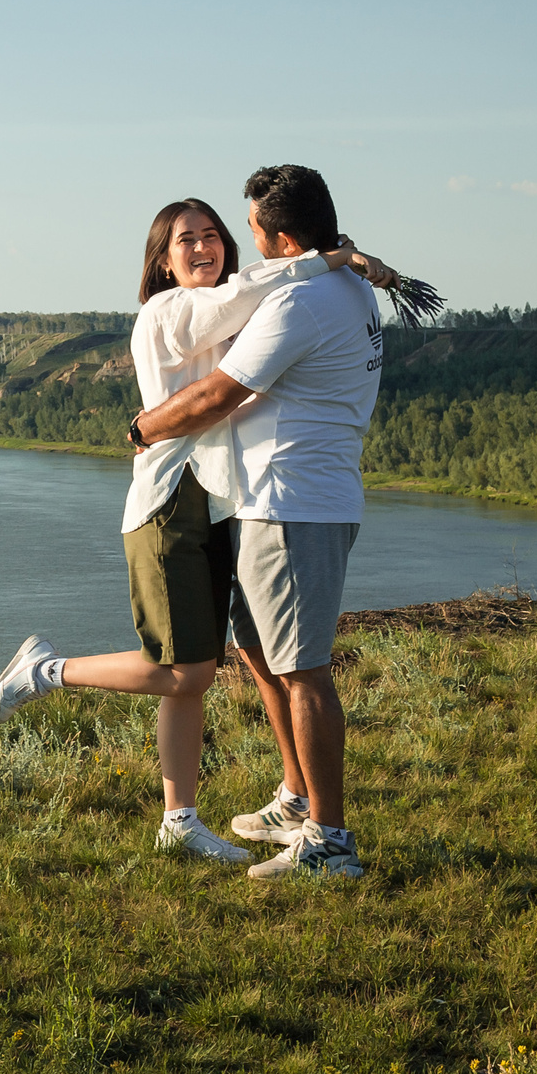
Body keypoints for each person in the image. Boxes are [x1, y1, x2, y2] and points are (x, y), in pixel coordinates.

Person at [0, 195, 387, 865]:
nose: (203, 248)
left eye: (212, 236)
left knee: (198, 670)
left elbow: (271, 307)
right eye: (185, 242)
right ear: (162, 262)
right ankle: (47, 670)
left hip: (220, 502)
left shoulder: (233, 299)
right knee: (186, 670)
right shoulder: (170, 310)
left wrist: (338, 264)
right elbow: (257, 293)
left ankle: (182, 820)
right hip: (170, 502)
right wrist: (336, 257)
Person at [114, 165, 393, 881]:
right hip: (283, 497)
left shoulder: (299, 301)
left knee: (303, 670)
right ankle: (298, 797)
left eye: (250, 234)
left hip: (291, 501)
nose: (247, 248)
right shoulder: (349, 288)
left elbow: (217, 391)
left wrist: (145, 427)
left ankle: (328, 841)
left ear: (285, 237)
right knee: (263, 650)